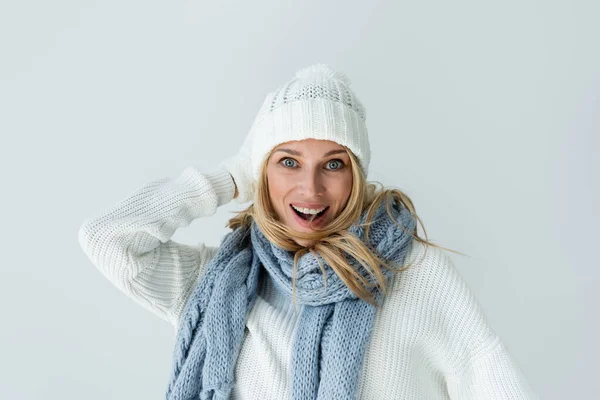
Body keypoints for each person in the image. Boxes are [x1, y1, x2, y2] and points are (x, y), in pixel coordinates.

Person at [78, 64, 538, 400]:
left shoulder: (416, 274)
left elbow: (495, 382)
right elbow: (108, 239)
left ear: (356, 174)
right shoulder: (217, 285)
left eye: (333, 165)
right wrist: (231, 177)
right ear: (262, 173)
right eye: (288, 162)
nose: (310, 188)